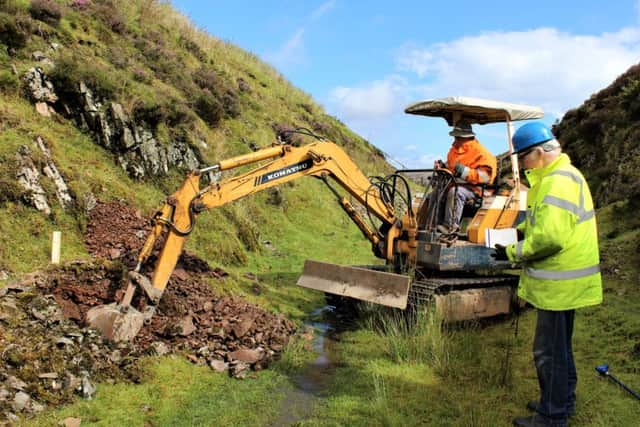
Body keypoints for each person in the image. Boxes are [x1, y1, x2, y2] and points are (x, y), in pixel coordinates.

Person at [492, 122, 603, 427]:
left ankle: (552, 416)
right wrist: (518, 231)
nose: (523, 165)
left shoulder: (557, 181)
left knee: (548, 353)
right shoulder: (559, 177)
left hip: (560, 283)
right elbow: (543, 223)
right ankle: (561, 401)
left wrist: (511, 252)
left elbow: (550, 237)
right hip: (566, 282)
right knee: (560, 348)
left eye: (524, 157)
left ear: (539, 152)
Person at [434, 122, 497, 235]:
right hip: (457, 184)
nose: (454, 140)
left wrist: (464, 172)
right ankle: (432, 226)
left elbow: (486, 177)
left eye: (457, 137)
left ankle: (450, 227)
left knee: (456, 192)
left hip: (477, 190)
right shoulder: (454, 151)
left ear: (465, 137)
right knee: (436, 192)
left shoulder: (482, 154)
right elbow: (451, 168)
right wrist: (443, 167)